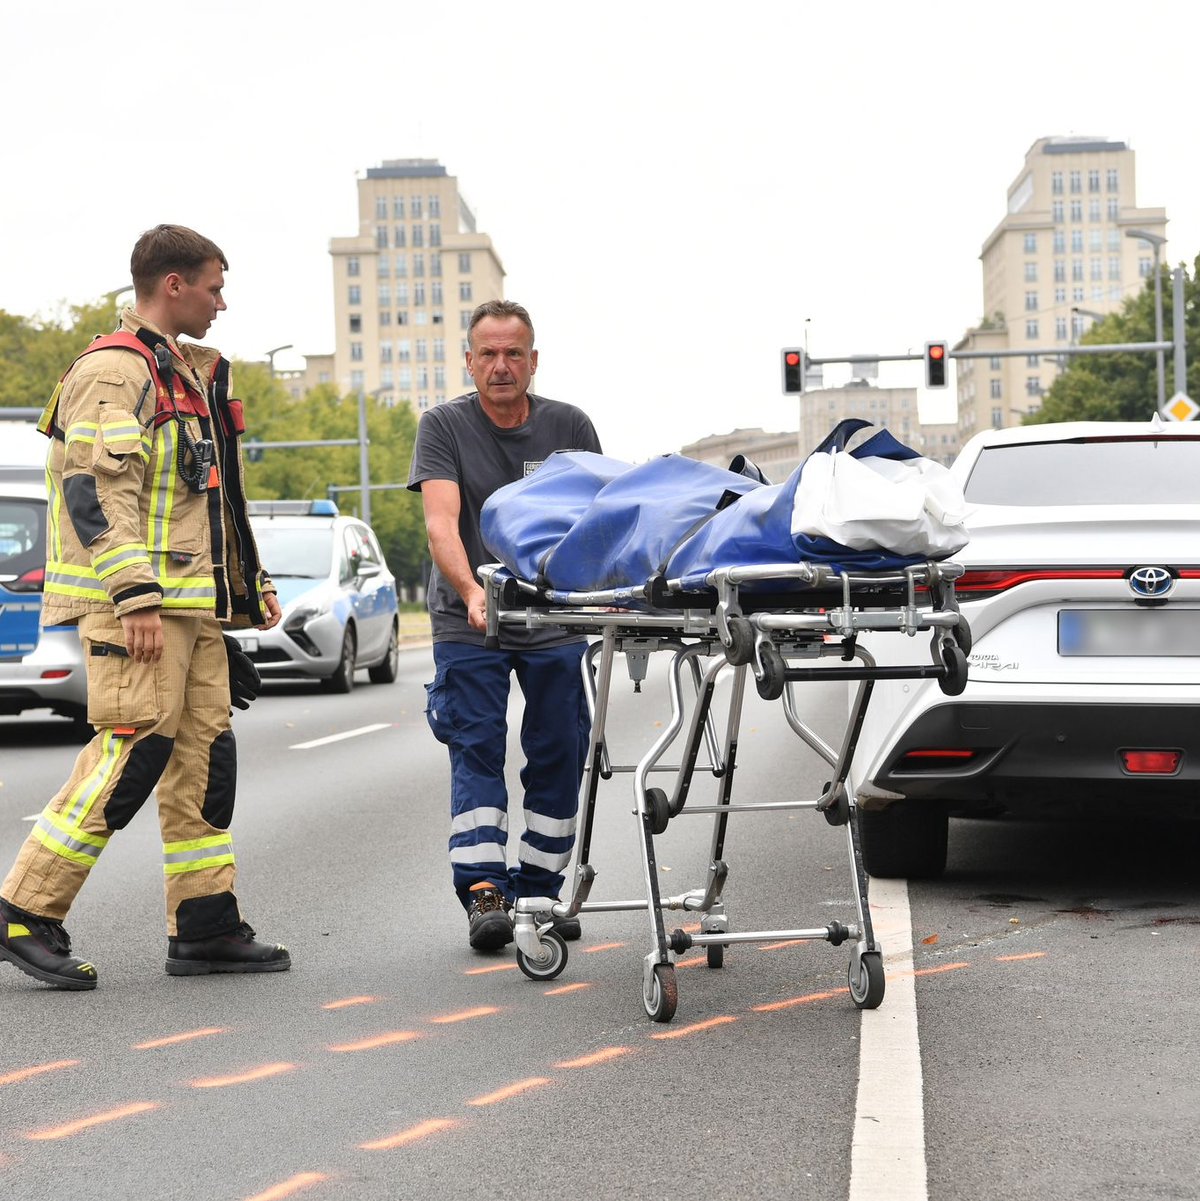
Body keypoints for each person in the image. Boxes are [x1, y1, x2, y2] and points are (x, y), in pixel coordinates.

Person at [0, 225, 290, 990]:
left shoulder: (186, 373)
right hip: (137, 608)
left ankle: (204, 924)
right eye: (213, 286)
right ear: (172, 285)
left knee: (203, 763)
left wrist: (244, 587)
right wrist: (133, 594)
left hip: (186, 611)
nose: (221, 301)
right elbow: (96, 490)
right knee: (130, 753)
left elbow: (200, 494)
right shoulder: (114, 369)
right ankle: (24, 908)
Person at [408, 299, 602, 951]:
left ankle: (541, 888)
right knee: (478, 746)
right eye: (487, 353)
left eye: (512, 353)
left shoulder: (569, 425)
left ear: (533, 360)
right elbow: (441, 522)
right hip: (471, 619)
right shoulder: (443, 426)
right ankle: (485, 892)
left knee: (558, 748)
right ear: (469, 360)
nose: (499, 365)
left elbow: (592, 520)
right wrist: (470, 590)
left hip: (551, 617)